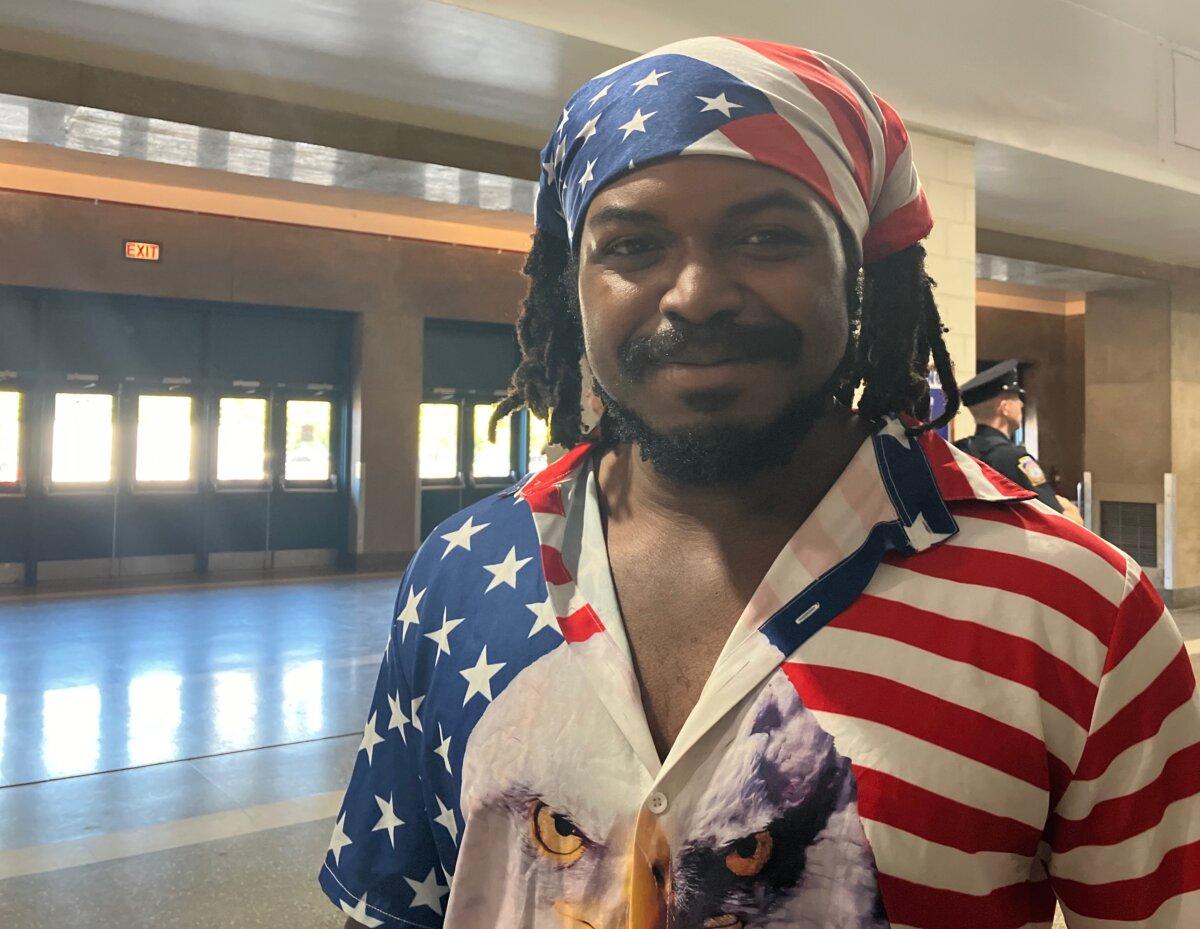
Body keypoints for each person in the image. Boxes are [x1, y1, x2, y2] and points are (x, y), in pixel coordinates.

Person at [323, 36, 1200, 928]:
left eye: (766, 235)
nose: (696, 293)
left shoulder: (1078, 612)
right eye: (632, 243)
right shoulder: (459, 573)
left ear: (859, 273)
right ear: (571, 286)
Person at [955, 359, 1083, 522]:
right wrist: (1072, 510)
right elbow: (1060, 520)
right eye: (1016, 398)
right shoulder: (1015, 459)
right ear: (1005, 408)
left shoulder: (959, 452)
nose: (1022, 404)